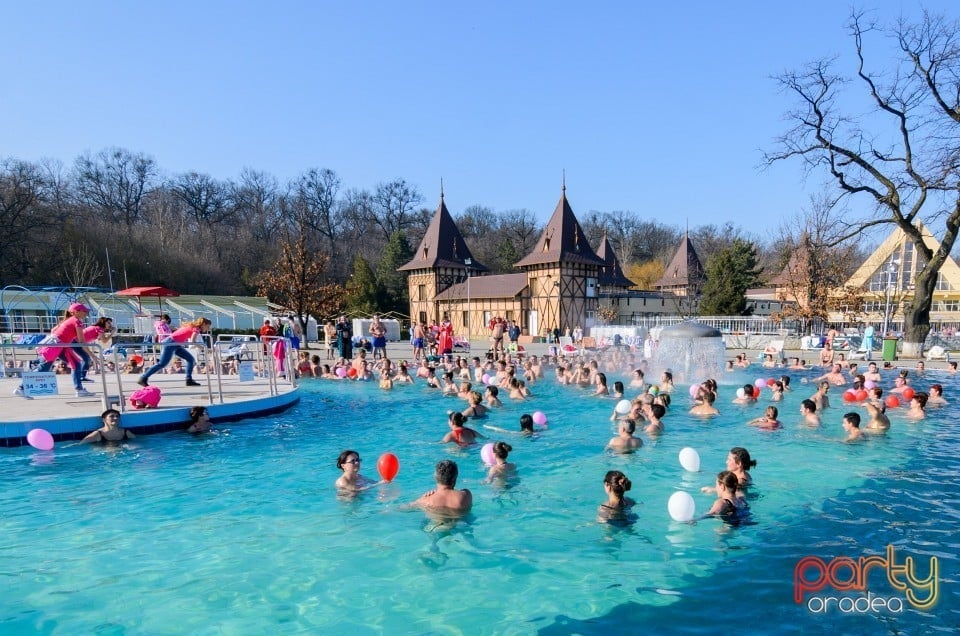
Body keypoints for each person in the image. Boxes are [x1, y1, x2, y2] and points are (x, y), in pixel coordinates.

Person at [17, 302, 93, 399]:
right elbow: (81, 340)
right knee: (43, 368)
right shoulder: (76, 321)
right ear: (76, 312)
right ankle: (21, 388)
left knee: (76, 363)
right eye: (84, 311)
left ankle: (79, 389)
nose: (86, 313)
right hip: (55, 346)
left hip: (59, 346)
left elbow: (53, 331)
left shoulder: (68, 320)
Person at [138, 317, 210, 387]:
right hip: (170, 343)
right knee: (162, 364)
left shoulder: (191, 326)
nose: (208, 329)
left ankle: (189, 380)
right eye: (207, 326)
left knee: (190, 360)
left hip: (176, 344)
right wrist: (203, 348)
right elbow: (193, 341)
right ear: (203, 324)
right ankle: (143, 378)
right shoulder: (196, 329)